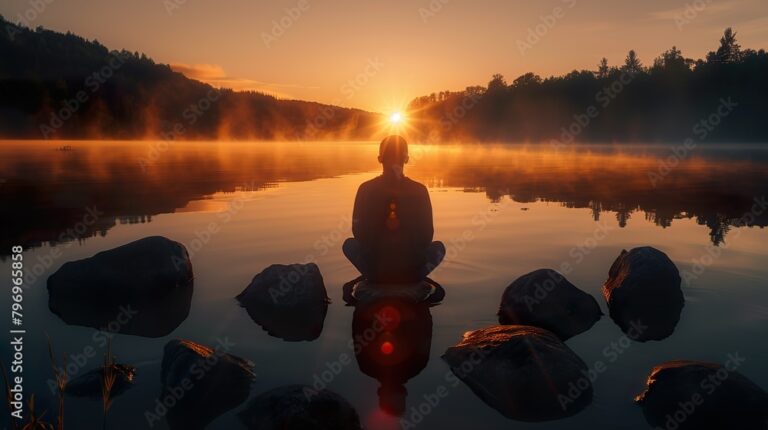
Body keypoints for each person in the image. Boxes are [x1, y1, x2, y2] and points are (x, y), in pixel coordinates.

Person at [343, 135, 445, 284]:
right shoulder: (420, 190)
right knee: (439, 248)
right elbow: (427, 235)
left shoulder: (365, 189)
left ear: (379, 158)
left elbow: (357, 232)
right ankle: (412, 279)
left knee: (349, 244)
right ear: (407, 159)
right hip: (411, 271)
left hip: (376, 271)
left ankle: (376, 279)